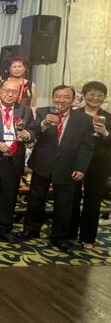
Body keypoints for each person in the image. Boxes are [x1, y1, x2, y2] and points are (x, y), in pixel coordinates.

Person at [17, 85, 95, 253]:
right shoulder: (43, 112)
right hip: (42, 162)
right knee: (36, 199)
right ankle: (31, 230)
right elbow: (33, 130)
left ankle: (59, 237)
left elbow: (87, 146)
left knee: (64, 204)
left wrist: (81, 167)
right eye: (58, 96)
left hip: (68, 166)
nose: (61, 100)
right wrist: (45, 123)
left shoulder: (84, 119)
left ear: (73, 100)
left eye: (66, 97)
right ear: (53, 97)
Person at [0, 80, 34, 241]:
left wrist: (28, 135)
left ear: (19, 93)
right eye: (7, 90)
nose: (10, 94)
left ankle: (4, 228)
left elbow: (32, 130)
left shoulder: (25, 110)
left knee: (9, 196)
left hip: (14, 159)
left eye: (14, 91)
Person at [70, 81, 111, 249]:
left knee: (93, 199)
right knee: (72, 197)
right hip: (75, 161)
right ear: (84, 95)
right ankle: (69, 232)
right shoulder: (74, 114)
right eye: (91, 94)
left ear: (104, 98)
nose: (95, 98)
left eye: (100, 95)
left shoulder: (108, 117)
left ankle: (88, 237)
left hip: (98, 163)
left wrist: (105, 133)